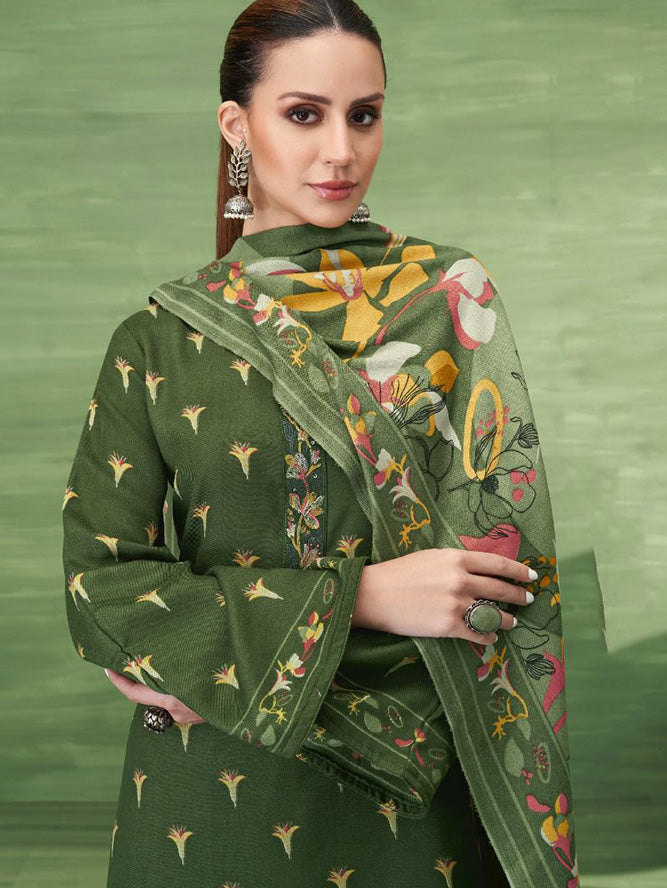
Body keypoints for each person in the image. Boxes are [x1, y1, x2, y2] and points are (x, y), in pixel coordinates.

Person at [61, 2, 579, 886]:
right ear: (237, 125)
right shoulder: (157, 341)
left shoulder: (451, 301)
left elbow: (501, 580)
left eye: (363, 115)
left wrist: (193, 647)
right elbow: (99, 594)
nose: (340, 150)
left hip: (424, 792)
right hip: (212, 794)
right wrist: (363, 597)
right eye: (303, 113)